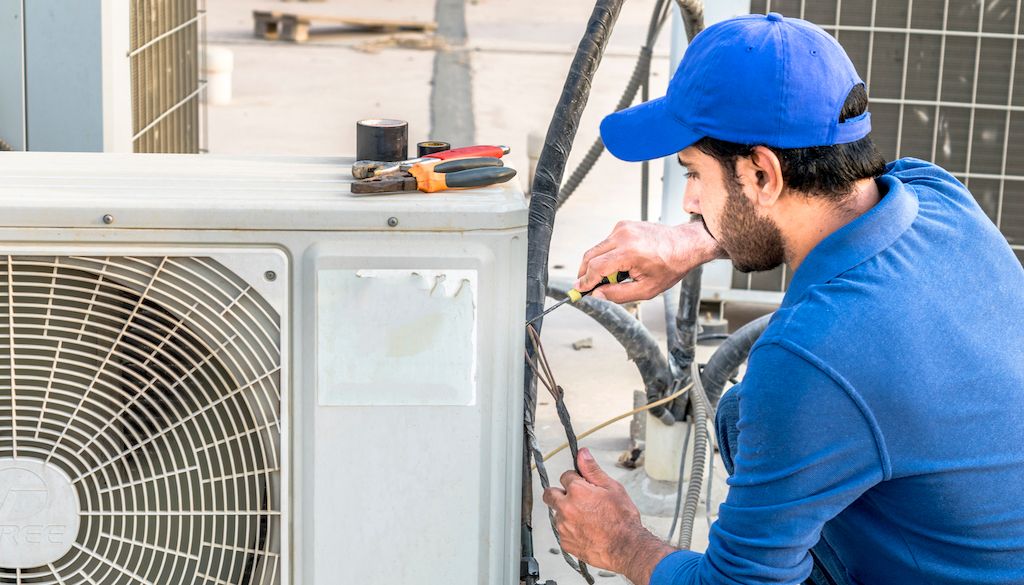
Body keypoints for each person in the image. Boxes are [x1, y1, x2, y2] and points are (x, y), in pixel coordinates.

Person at [542, 12, 1024, 585]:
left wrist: (623, 543)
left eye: (694, 173)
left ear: (763, 174)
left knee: (754, 416)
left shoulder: (814, 356)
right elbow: (822, 213)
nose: (690, 201)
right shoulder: (937, 195)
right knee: (746, 418)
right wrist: (684, 244)